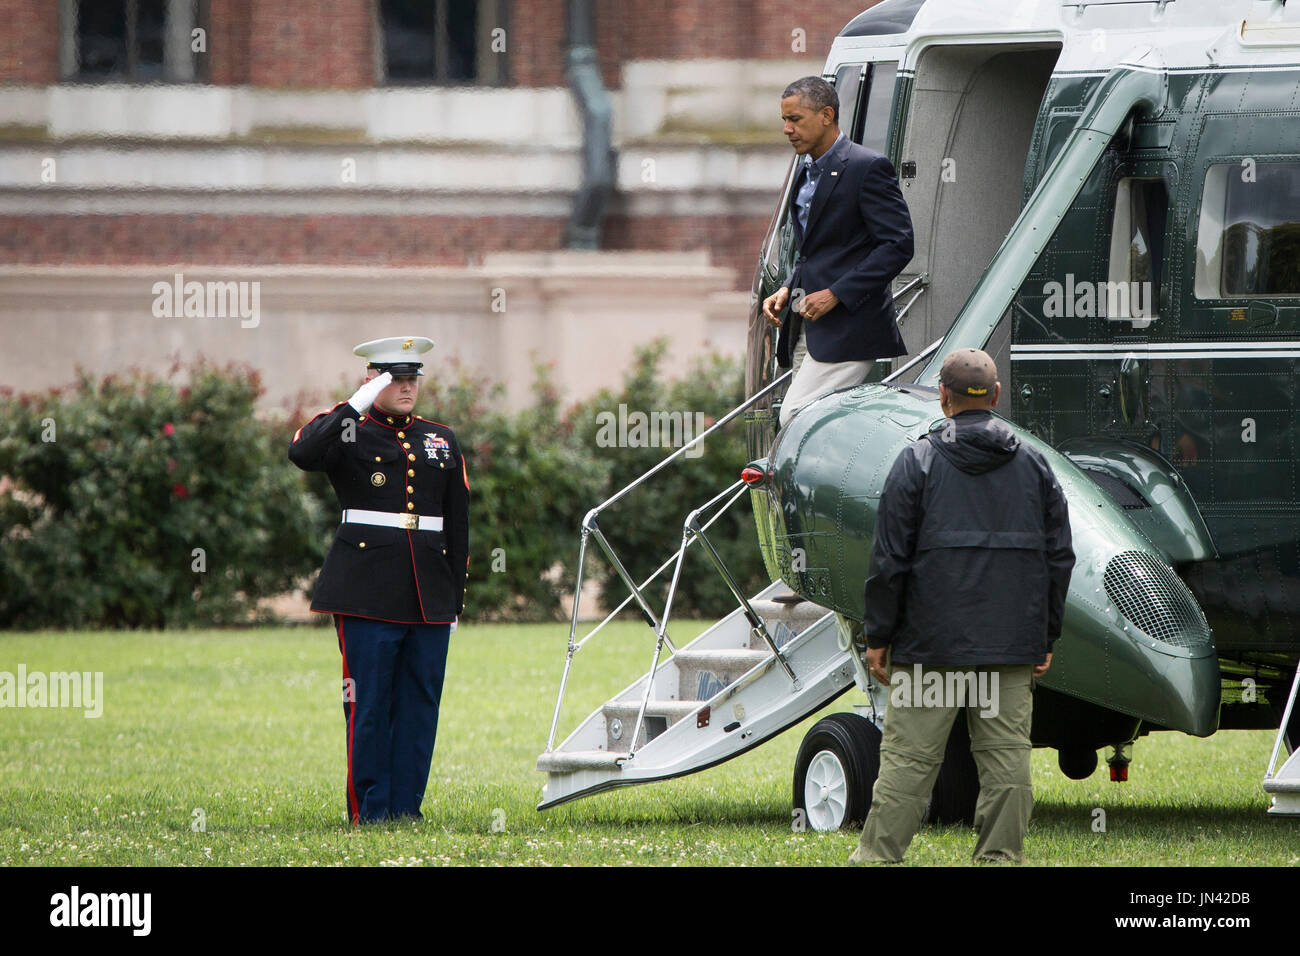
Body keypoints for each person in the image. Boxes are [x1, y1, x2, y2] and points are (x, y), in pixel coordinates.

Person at [849, 348, 1074, 864]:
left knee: (907, 765)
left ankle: (877, 860)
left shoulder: (917, 460)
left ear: (943, 398)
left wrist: (878, 637)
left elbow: (889, 560)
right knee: (1007, 766)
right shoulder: (1037, 465)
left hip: (931, 648)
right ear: (996, 396)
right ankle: (998, 860)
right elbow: (1060, 558)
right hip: (1009, 647)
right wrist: (1045, 636)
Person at [288, 335, 469, 825]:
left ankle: (406, 809)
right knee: (368, 704)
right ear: (372, 379)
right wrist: (353, 405)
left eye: (412, 378)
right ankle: (370, 811)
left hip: (428, 591)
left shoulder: (441, 437)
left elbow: (458, 522)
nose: (407, 387)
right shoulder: (347, 430)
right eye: (395, 378)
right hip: (364, 590)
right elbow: (303, 453)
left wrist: (454, 599)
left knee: (419, 704)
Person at [761, 75, 915, 429]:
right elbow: (814, 251)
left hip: (851, 329)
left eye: (794, 119)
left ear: (827, 115)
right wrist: (788, 286)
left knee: (796, 418)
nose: (786, 129)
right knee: (808, 423)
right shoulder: (804, 169)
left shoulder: (867, 167)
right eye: (784, 120)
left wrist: (835, 294)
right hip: (807, 326)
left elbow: (898, 245)